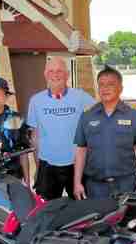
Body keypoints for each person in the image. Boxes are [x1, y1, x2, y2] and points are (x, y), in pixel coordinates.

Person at [73, 67, 136, 199]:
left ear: (120, 88)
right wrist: (77, 182)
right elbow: (81, 150)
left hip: (126, 184)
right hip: (95, 186)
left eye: (111, 84)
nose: (105, 88)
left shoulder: (134, 114)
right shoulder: (87, 115)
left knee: (126, 219)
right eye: (101, 85)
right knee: (97, 220)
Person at [26, 57, 95, 199]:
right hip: (48, 165)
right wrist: (38, 167)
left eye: (59, 71)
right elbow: (35, 137)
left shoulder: (81, 97)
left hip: (76, 164)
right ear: (45, 75)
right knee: (47, 211)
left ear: (67, 75)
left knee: (81, 209)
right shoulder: (36, 100)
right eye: (51, 71)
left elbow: (101, 113)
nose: (55, 75)